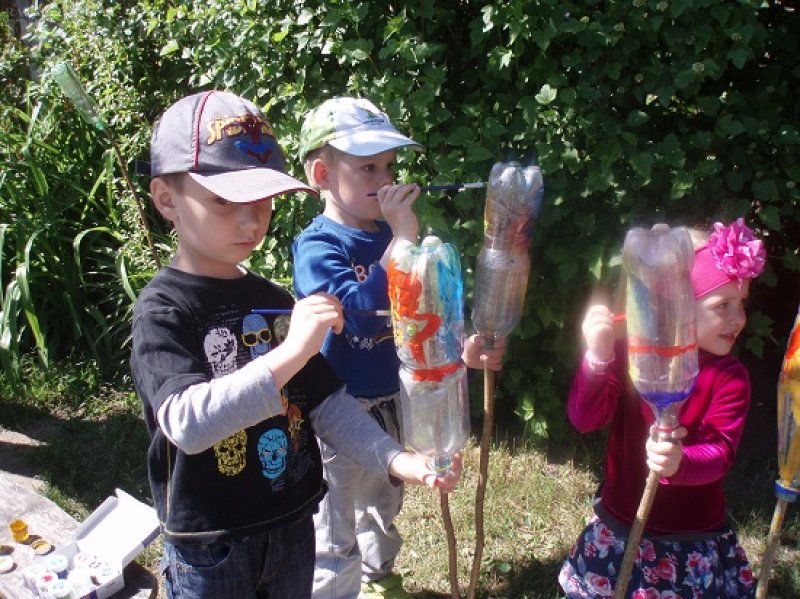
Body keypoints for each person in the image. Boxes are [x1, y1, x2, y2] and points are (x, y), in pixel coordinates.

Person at [129, 90, 462, 599]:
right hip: (212, 546)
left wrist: (398, 460)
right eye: (225, 200)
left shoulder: (269, 298)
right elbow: (186, 424)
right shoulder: (163, 310)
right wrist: (291, 354)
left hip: (292, 525)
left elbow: (326, 403)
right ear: (167, 199)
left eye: (262, 200)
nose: (252, 219)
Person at [292, 96, 505, 599]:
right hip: (338, 407)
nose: (384, 178)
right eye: (367, 167)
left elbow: (421, 319)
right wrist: (403, 243)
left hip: (393, 399)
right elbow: (357, 310)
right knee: (336, 514)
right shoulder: (320, 245)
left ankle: (378, 578)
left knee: (384, 504)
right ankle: (331, 589)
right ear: (323, 174)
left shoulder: (389, 235)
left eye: (389, 165)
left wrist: (461, 352)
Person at [558, 218, 766, 598]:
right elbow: (586, 419)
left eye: (742, 304)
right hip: (622, 524)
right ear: (677, 303)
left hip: (689, 538)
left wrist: (681, 462)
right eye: (723, 305)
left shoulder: (729, 376)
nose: (738, 319)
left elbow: (721, 452)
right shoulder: (632, 356)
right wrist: (599, 355)